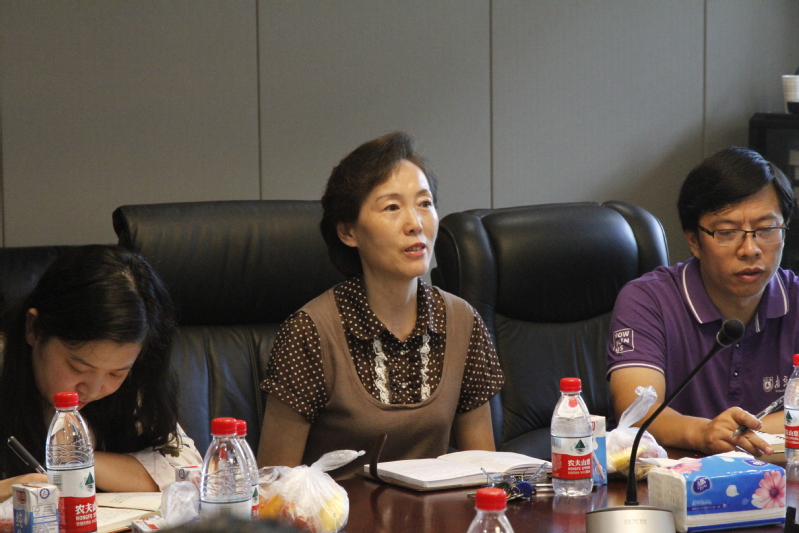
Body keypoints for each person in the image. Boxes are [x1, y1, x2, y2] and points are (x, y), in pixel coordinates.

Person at [256, 132, 504, 477]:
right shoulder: (310, 333)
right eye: (392, 207)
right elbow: (272, 483)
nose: (415, 224)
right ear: (348, 232)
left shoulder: (462, 322)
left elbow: (486, 471)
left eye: (425, 203)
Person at [607, 146, 798, 456]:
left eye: (766, 229)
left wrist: (735, 434)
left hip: (777, 477)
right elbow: (636, 411)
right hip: (673, 479)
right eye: (727, 232)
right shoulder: (648, 300)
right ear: (694, 240)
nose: (750, 249)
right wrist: (703, 433)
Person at [0, 245, 202, 502]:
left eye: (116, 374)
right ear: (34, 329)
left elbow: (186, 469)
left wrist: (76, 461)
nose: (94, 390)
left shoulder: (134, 380)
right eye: (79, 368)